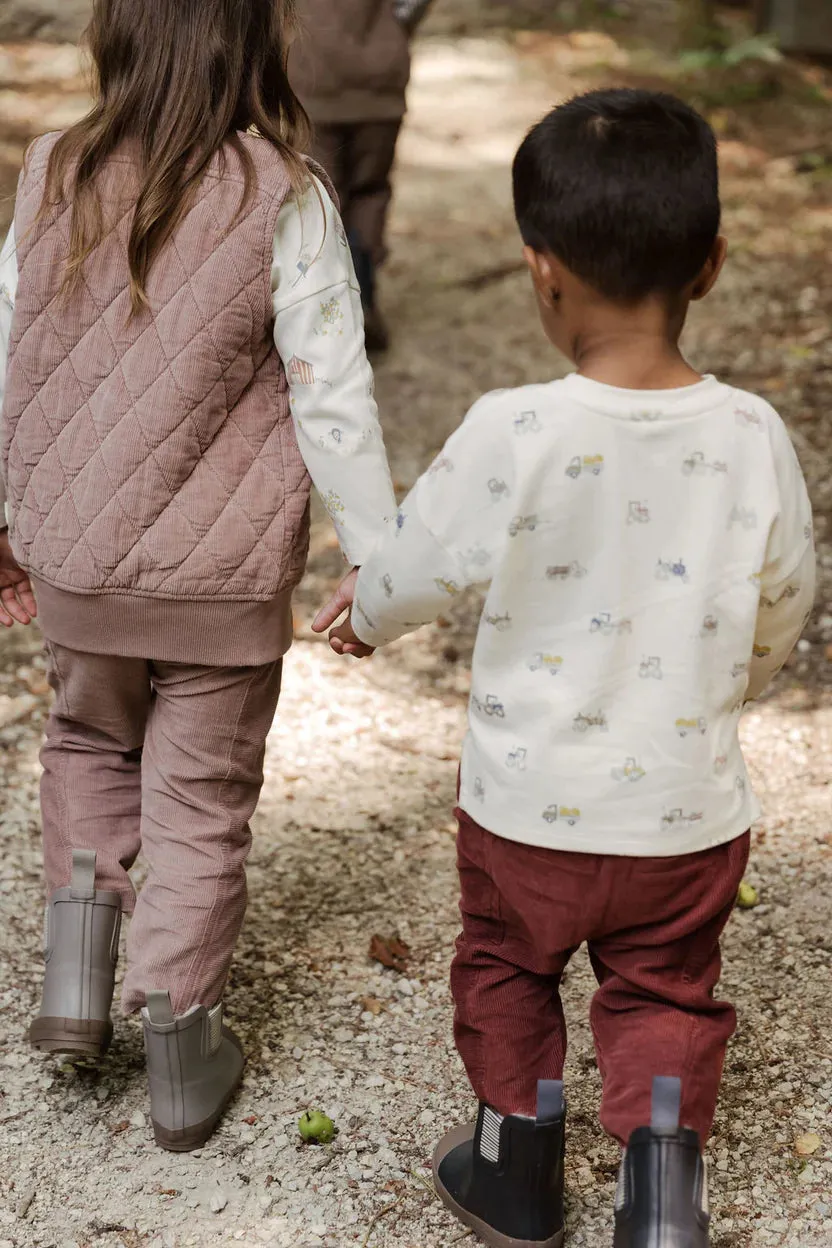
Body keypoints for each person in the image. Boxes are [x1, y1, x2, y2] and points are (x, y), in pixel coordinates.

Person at [313, 89, 816, 1247]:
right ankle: (658, 1189)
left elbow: (420, 563)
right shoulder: (750, 435)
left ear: (540, 270)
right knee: (662, 989)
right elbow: (786, 593)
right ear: (713, 265)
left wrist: (364, 616)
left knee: (504, 966)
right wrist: (728, 687)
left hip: (526, 814)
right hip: (684, 814)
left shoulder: (514, 428)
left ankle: (517, 1163)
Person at [0, 0, 395, 1152]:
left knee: (85, 741)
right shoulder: (286, 191)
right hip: (219, 585)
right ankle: (178, 1032)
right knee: (202, 797)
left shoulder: (50, 173)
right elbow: (332, 386)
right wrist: (374, 551)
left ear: (113, 38)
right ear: (254, 43)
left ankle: (76, 979)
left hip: (79, 559)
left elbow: (8, 347)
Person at [289, 0, 435, 352]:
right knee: (370, 191)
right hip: (380, 73)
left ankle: (325, 315)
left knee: (319, 197)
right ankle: (362, 297)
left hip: (312, 70)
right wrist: (395, 23)